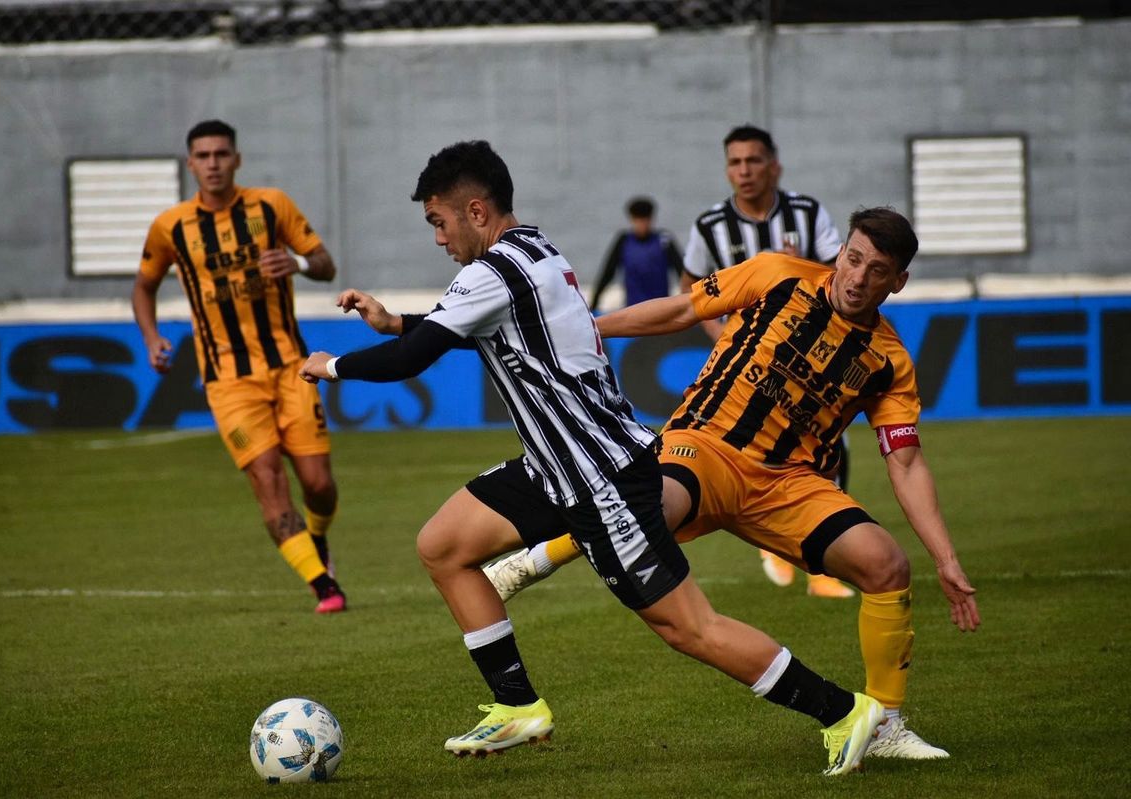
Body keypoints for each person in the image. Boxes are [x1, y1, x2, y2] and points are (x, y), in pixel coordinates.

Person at [298, 140, 883, 775]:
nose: (438, 239)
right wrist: (399, 321)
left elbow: (415, 362)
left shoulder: (490, 272)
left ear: (474, 210)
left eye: (438, 223)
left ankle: (843, 713)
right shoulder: (538, 252)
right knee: (443, 546)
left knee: (690, 629)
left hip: (602, 480)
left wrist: (331, 365)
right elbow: (487, 330)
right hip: (555, 467)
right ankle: (516, 706)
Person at [484, 207, 982, 760]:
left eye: (877, 270)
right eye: (854, 258)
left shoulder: (889, 361)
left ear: (898, 282)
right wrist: (588, 328)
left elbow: (906, 464)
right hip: (707, 445)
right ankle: (534, 560)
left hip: (790, 485)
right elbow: (682, 309)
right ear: (840, 253)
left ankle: (884, 726)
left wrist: (945, 557)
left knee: (887, 566)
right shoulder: (777, 275)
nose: (858, 278)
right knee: (648, 509)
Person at [132, 119, 347, 614]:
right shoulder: (171, 227)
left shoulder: (271, 206)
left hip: (292, 367)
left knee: (318, 484)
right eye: (203, 156)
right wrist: (151, 338)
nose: (213, 164)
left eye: (221, 154)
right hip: (227, 381)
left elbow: (325, 263)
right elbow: (143, 285)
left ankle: (318, 540)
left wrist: (296, 264)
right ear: (190, 164)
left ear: (237, 159)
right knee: (267, 477)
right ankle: (323, 586)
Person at [683, 124, 850, 597]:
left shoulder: (806, 212)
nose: (744, 171)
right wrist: (723, 340)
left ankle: (821, 566)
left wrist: (810, 273)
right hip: (741, 364)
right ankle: (773, 540)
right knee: (733, 445)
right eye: (735, 162)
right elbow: (691, 286)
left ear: (774, 165)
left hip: (803, 362)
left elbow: (837, 277)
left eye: (753, 161)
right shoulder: (710, 226)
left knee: (828, 448)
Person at [589, 196, 684, 310]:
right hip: (633, 309)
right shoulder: (623, 241)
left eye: (645, 220)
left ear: (651, 219)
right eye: (638, 220)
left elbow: (682, 273)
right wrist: (594, 303)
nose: (642, 224)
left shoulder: (664, 240)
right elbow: (608, 273)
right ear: (632, 220)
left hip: (661, 309)